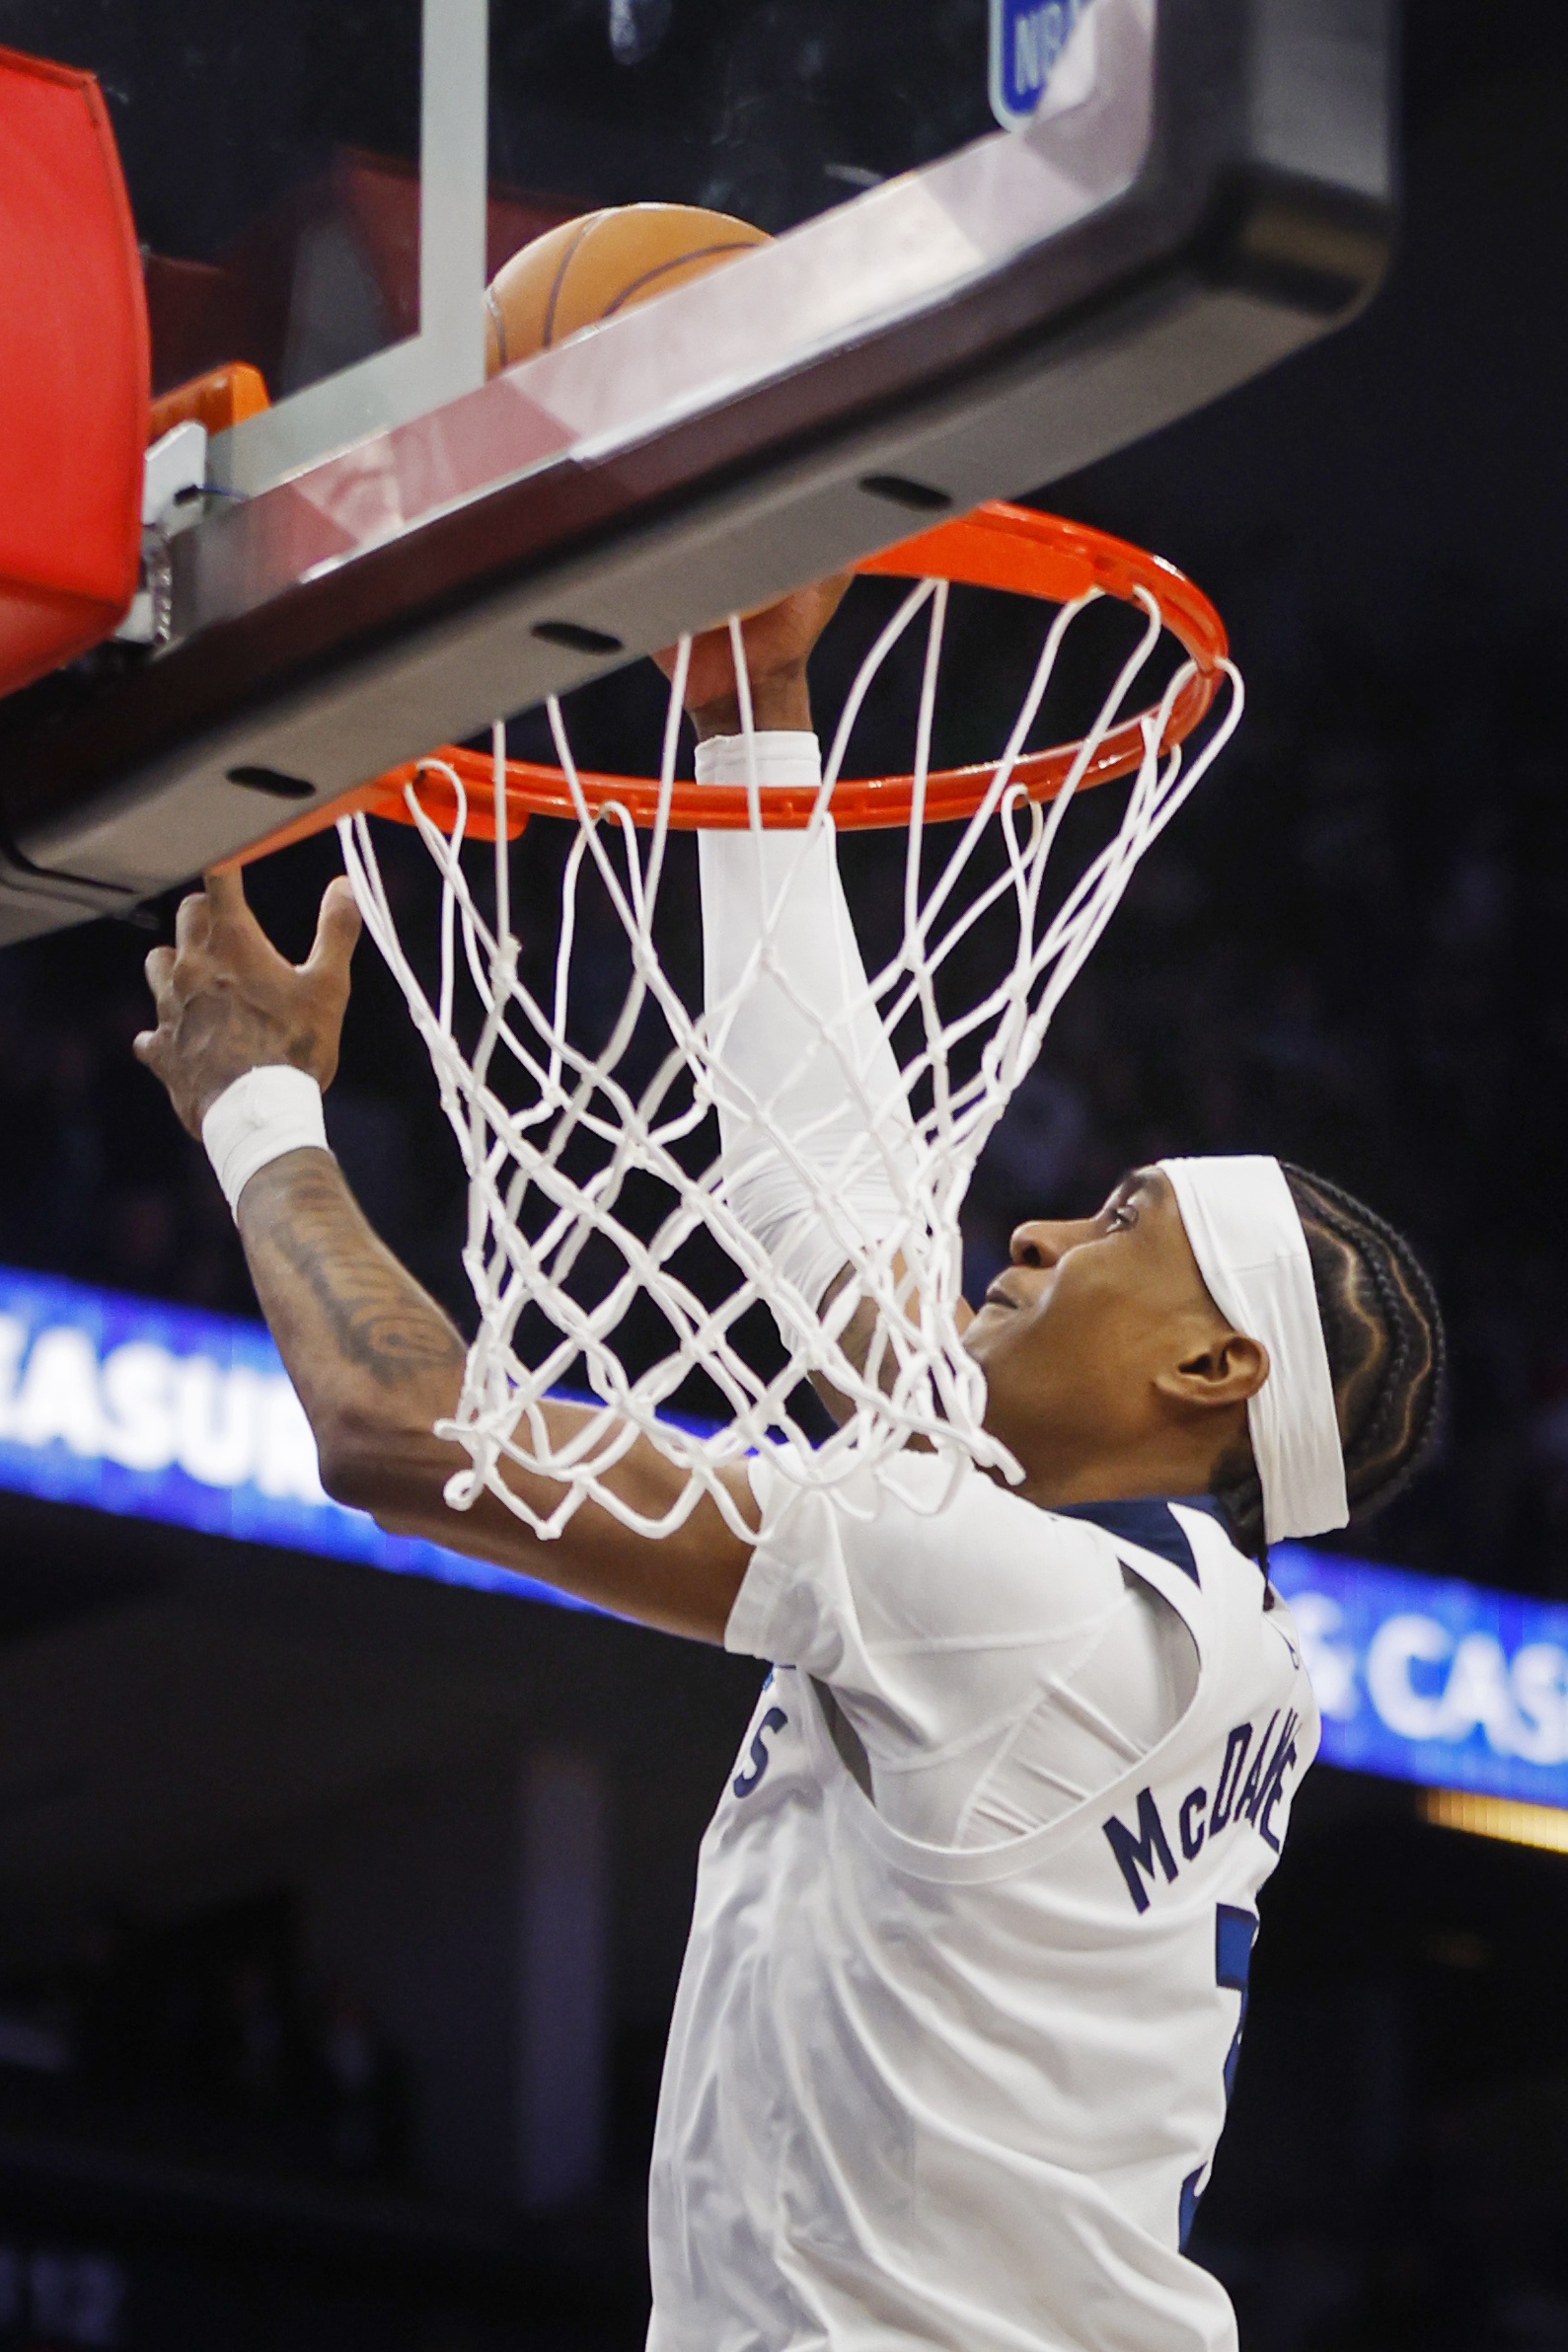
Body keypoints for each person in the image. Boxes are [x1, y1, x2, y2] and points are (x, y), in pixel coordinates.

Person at [135, 576, 1444, 2352]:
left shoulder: (1021, 1596)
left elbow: (404, 1437)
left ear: (1210, 1368)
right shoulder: (1185, 1630)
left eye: (1121, 1225)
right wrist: (751, 703)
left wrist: (255, 1106)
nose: (1037, 1231)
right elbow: (829, 1189)